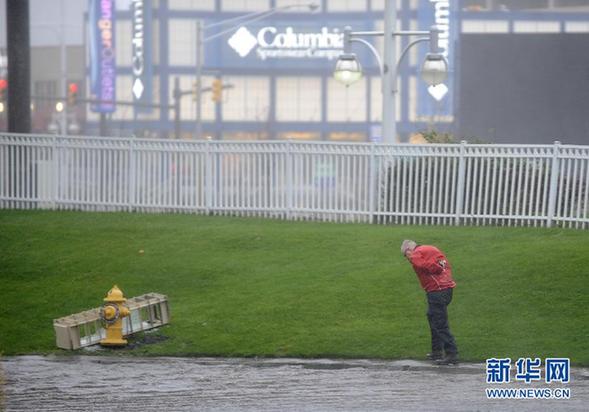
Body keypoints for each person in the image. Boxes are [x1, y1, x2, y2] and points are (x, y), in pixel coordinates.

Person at [401, 240, 458, 365]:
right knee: (432, 316)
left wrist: (435, 268)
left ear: (409, 250)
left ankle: (451, 354)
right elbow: (443, 264)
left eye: (406, 255)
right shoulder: (432, 249)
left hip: (436, 291)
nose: (408, 259)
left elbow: (425, 265)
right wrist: (437, 268)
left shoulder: (416, 253)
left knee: (440, 323)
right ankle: (436, 351)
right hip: (447, 289)